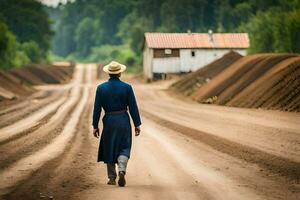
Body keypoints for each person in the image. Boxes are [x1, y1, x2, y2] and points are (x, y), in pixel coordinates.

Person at [92, 61, 141, 187]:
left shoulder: (101, 88)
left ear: (108, 73)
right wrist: (137, 124)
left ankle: (112, 178)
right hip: (123, 120)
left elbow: (97, 108)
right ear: (120, 73)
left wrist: (95, 126)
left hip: (109, 121)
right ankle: (122, 170)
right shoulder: (127, 87)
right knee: (124, 147)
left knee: (109, 147)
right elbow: (133, 107)